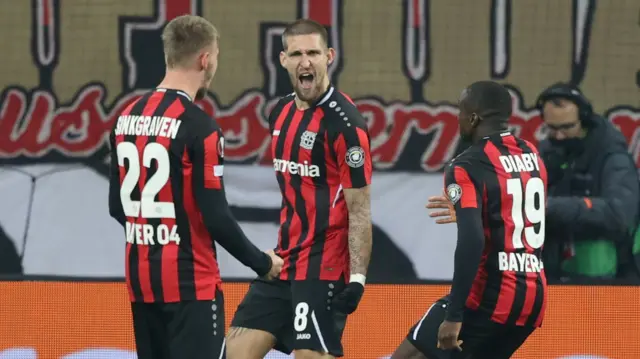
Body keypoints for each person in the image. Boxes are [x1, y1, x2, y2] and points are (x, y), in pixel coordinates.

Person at [107, 15, 283, 359]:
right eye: (215, 56)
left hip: (142, 283)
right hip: (191, 286)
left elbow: (118, 208)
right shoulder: (200, 127)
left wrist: (155, 234)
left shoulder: (125, 117)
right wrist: (263, 263)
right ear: (205, 59)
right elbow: (216, 217)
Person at [226, 19, 373, 359]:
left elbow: (360, 209)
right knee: (232, 354)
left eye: (313, 53)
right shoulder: (279, 113)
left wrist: (359, 278)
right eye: (296, 53)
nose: (305, 62)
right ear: (283, 60)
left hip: (324, 267)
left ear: (329, 57)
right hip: (283, 262)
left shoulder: (346, 124)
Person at [391, 81, 548, 359]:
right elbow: (517, 212)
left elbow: (472, 241)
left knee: (405, 356)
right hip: (532, 300)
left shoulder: (466, 165)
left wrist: (454, 314)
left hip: (489, 298)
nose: (458, 119)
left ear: (473, 117)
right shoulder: (531, 154)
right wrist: (470, 213)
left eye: (461, 112)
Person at [533, 83, 639, 280]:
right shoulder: (549, 149)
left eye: (566, 127)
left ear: (584, 119)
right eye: (552, 128)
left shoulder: (613, 156)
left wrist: (551, 207)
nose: (559, 135)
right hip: (557, 270)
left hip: (607, 276)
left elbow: (619, 214)